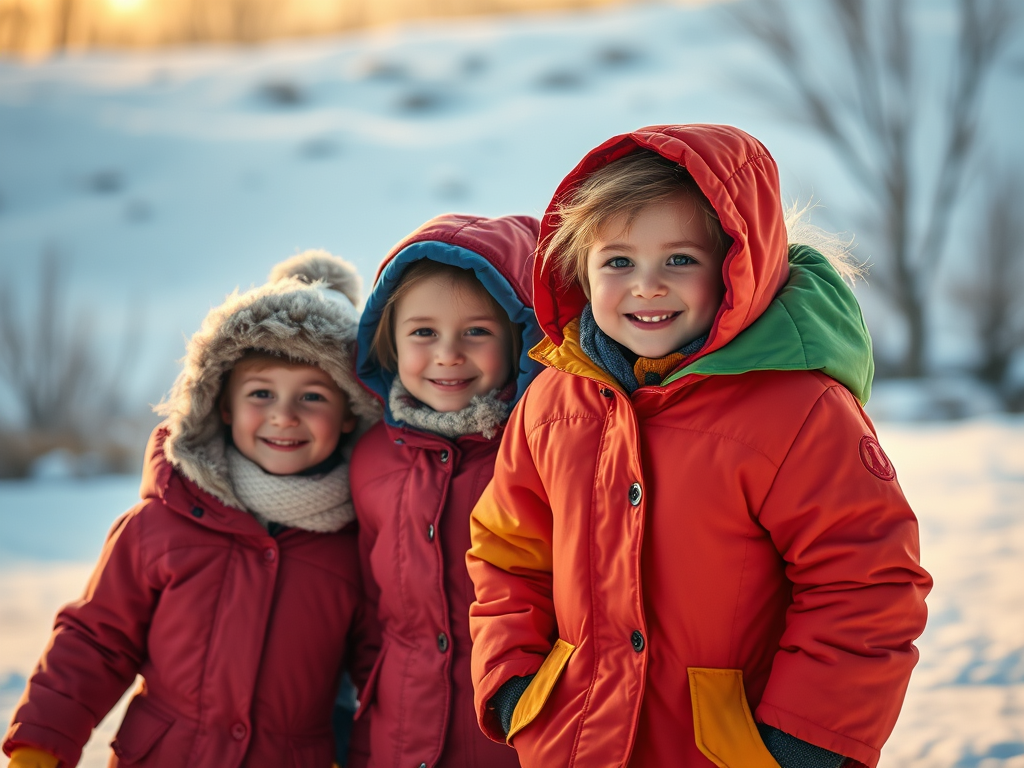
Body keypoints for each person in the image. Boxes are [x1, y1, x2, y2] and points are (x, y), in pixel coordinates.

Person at [466, 125, 933, 768]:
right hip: (578, 744)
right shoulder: (552, 403)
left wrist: (804, 742)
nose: (647, 286)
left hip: (731, 751)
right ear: (580, 268)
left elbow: (864, 582)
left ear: (736, 267)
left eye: (679, 260)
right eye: (618, 261)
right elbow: (507, 551)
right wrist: (517, 682)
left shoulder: (799, 413)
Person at [3, 252, 381, 768]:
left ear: (347, 416)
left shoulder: (355, 546)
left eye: (312, 397)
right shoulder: (161, 523)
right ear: (222, 405)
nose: (283, 416)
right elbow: (96, 641)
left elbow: (380, 680)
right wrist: (39, 747)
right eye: (261, 393)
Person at [349, 213, 541, 768]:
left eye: (476, 332)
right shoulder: (371, 460)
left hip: (512, 738)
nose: (447, 354)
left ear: (519, 340)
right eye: (423, 332)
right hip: (402, 739)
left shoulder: (535, 452)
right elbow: (371, 618)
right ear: (389, 339)